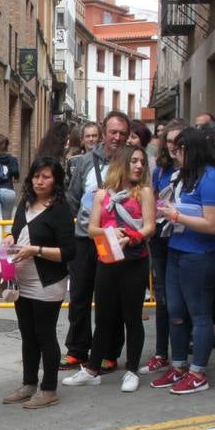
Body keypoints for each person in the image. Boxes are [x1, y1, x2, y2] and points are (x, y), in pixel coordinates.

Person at [63, 143, 155, 393]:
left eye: (141, 162)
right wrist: (109, 232)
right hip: (107, 261)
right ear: (122, 164)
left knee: (132, 318)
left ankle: (132, 369)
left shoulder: (144, 192)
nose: (138, 166)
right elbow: (91, 228)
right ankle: (92, 370)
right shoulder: (102, 194)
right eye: (133, 161)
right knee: (103, 317)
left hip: (135, 261)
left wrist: (131, 237)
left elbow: (149, 227)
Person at [151, 127, 215, 395]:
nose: (175, 153)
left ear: (192, 149)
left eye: (180, 149)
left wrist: (175, 216)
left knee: (199, 314)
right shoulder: (181, 176)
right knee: (176, 312)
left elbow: (211, 224)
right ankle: (180, 365)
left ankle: (198, 372)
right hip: (177, 249)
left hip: (200, 255)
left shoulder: (211, 178)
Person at [2, 156, 75, 409]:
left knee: (45, 335)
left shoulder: (60, 209)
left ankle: (49, 389)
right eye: (36, 176)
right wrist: (9, 241)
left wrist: (36, 250)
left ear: (55, 181)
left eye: (46, 176)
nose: (40, 181)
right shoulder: (25, 203)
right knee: (27, 334)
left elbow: (68, 252)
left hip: (47, 282)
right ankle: (29, 383)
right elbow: (15, 232)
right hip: (20, 280)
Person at [62, 111, 130, 373]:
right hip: (83, 239)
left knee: (109, 299)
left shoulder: (131, 162)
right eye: (113, 132)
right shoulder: (84, 162)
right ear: (103, 133)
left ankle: (108, 352)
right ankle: (77, 350)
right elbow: (72, 198)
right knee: (79, 296)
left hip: (113, 239)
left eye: (122, 133)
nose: (117, 137)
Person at [141, 119, 187, 376]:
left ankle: (183, 351)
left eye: (178, 142)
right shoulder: (159, 170)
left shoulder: (195, 171)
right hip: (161, 237)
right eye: (169, 141)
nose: (173, 147)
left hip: (185, 240)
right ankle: (161, 353)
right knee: (163, 296)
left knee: (184, 298)